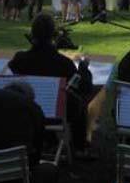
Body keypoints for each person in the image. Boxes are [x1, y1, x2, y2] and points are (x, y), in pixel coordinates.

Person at [8, 14, 93, 156]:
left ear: (32, 34)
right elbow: (84, 87)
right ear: (53, 35)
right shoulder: (63, 63)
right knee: (78, 101)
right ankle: (79, 147)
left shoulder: (19, 59)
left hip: (27, 110)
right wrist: (83, 69)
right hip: (56, 114)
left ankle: (50, 141)